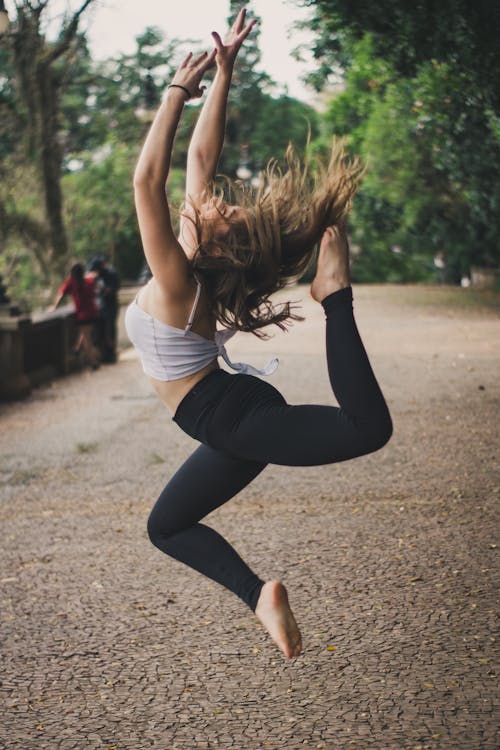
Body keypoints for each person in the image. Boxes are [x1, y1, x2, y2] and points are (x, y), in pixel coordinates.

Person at [125, 9, 392, 659]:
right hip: (228, 418)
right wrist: (224, 74)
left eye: (226, 209)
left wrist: (174, 94)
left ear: (218, 240)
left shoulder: (178, 280)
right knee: (167, 525)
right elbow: (201, 154)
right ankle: (260, 595)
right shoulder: (191, 253)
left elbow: (145, 180)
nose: (221, 197)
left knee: (368, 430)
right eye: (225, 201)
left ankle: (335, 297)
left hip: (231, 419)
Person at [52, 262, 100, 369]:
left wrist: (54, 307)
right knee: (86, 334)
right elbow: (94, 276)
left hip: (82, 315)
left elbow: (61, 295)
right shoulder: (88, 282)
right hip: (92, 312)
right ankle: (77, 349)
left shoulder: (71, 283)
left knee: (87, 338)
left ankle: (92, 362)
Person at [88, 255, 120, 363]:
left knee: (110, 331)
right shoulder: (97, 276)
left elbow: (113, 289)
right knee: (100, 333)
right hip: (100, 309)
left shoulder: (111, 274)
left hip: (110, 307)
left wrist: (104, 289)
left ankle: (112, 355)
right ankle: (103, 356)